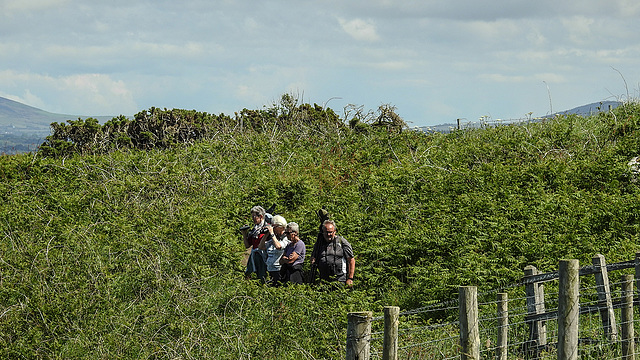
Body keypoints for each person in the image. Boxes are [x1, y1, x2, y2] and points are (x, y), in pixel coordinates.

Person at [311, 219, 355, 287]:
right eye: (326, 232)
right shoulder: (319, 244)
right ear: (323, 232)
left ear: (335, 231)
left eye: (330, 232)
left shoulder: (342, 242)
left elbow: (351, 260)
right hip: (323, 280)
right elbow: (313, 257)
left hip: (339, 279)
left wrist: (350, 278)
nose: (329, 234)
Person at [258, 215, 290, 286]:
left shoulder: (286, 238)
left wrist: (272, 234)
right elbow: (261, 247)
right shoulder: (274, 238)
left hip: (279, 270)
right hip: (270, 269)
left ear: (280, 227)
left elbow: (278, 246)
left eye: (274, 227)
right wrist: (266, 235)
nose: (273, 228)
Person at [242, 205, 269, 281]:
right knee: (249, 275)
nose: (253, 219)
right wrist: (244, 234)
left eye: (254, 217)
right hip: (254, 255)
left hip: (263, 256)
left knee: (261, 276)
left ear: (260, 216)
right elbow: (247, 245)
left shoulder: (267, 228)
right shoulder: (255, 229)